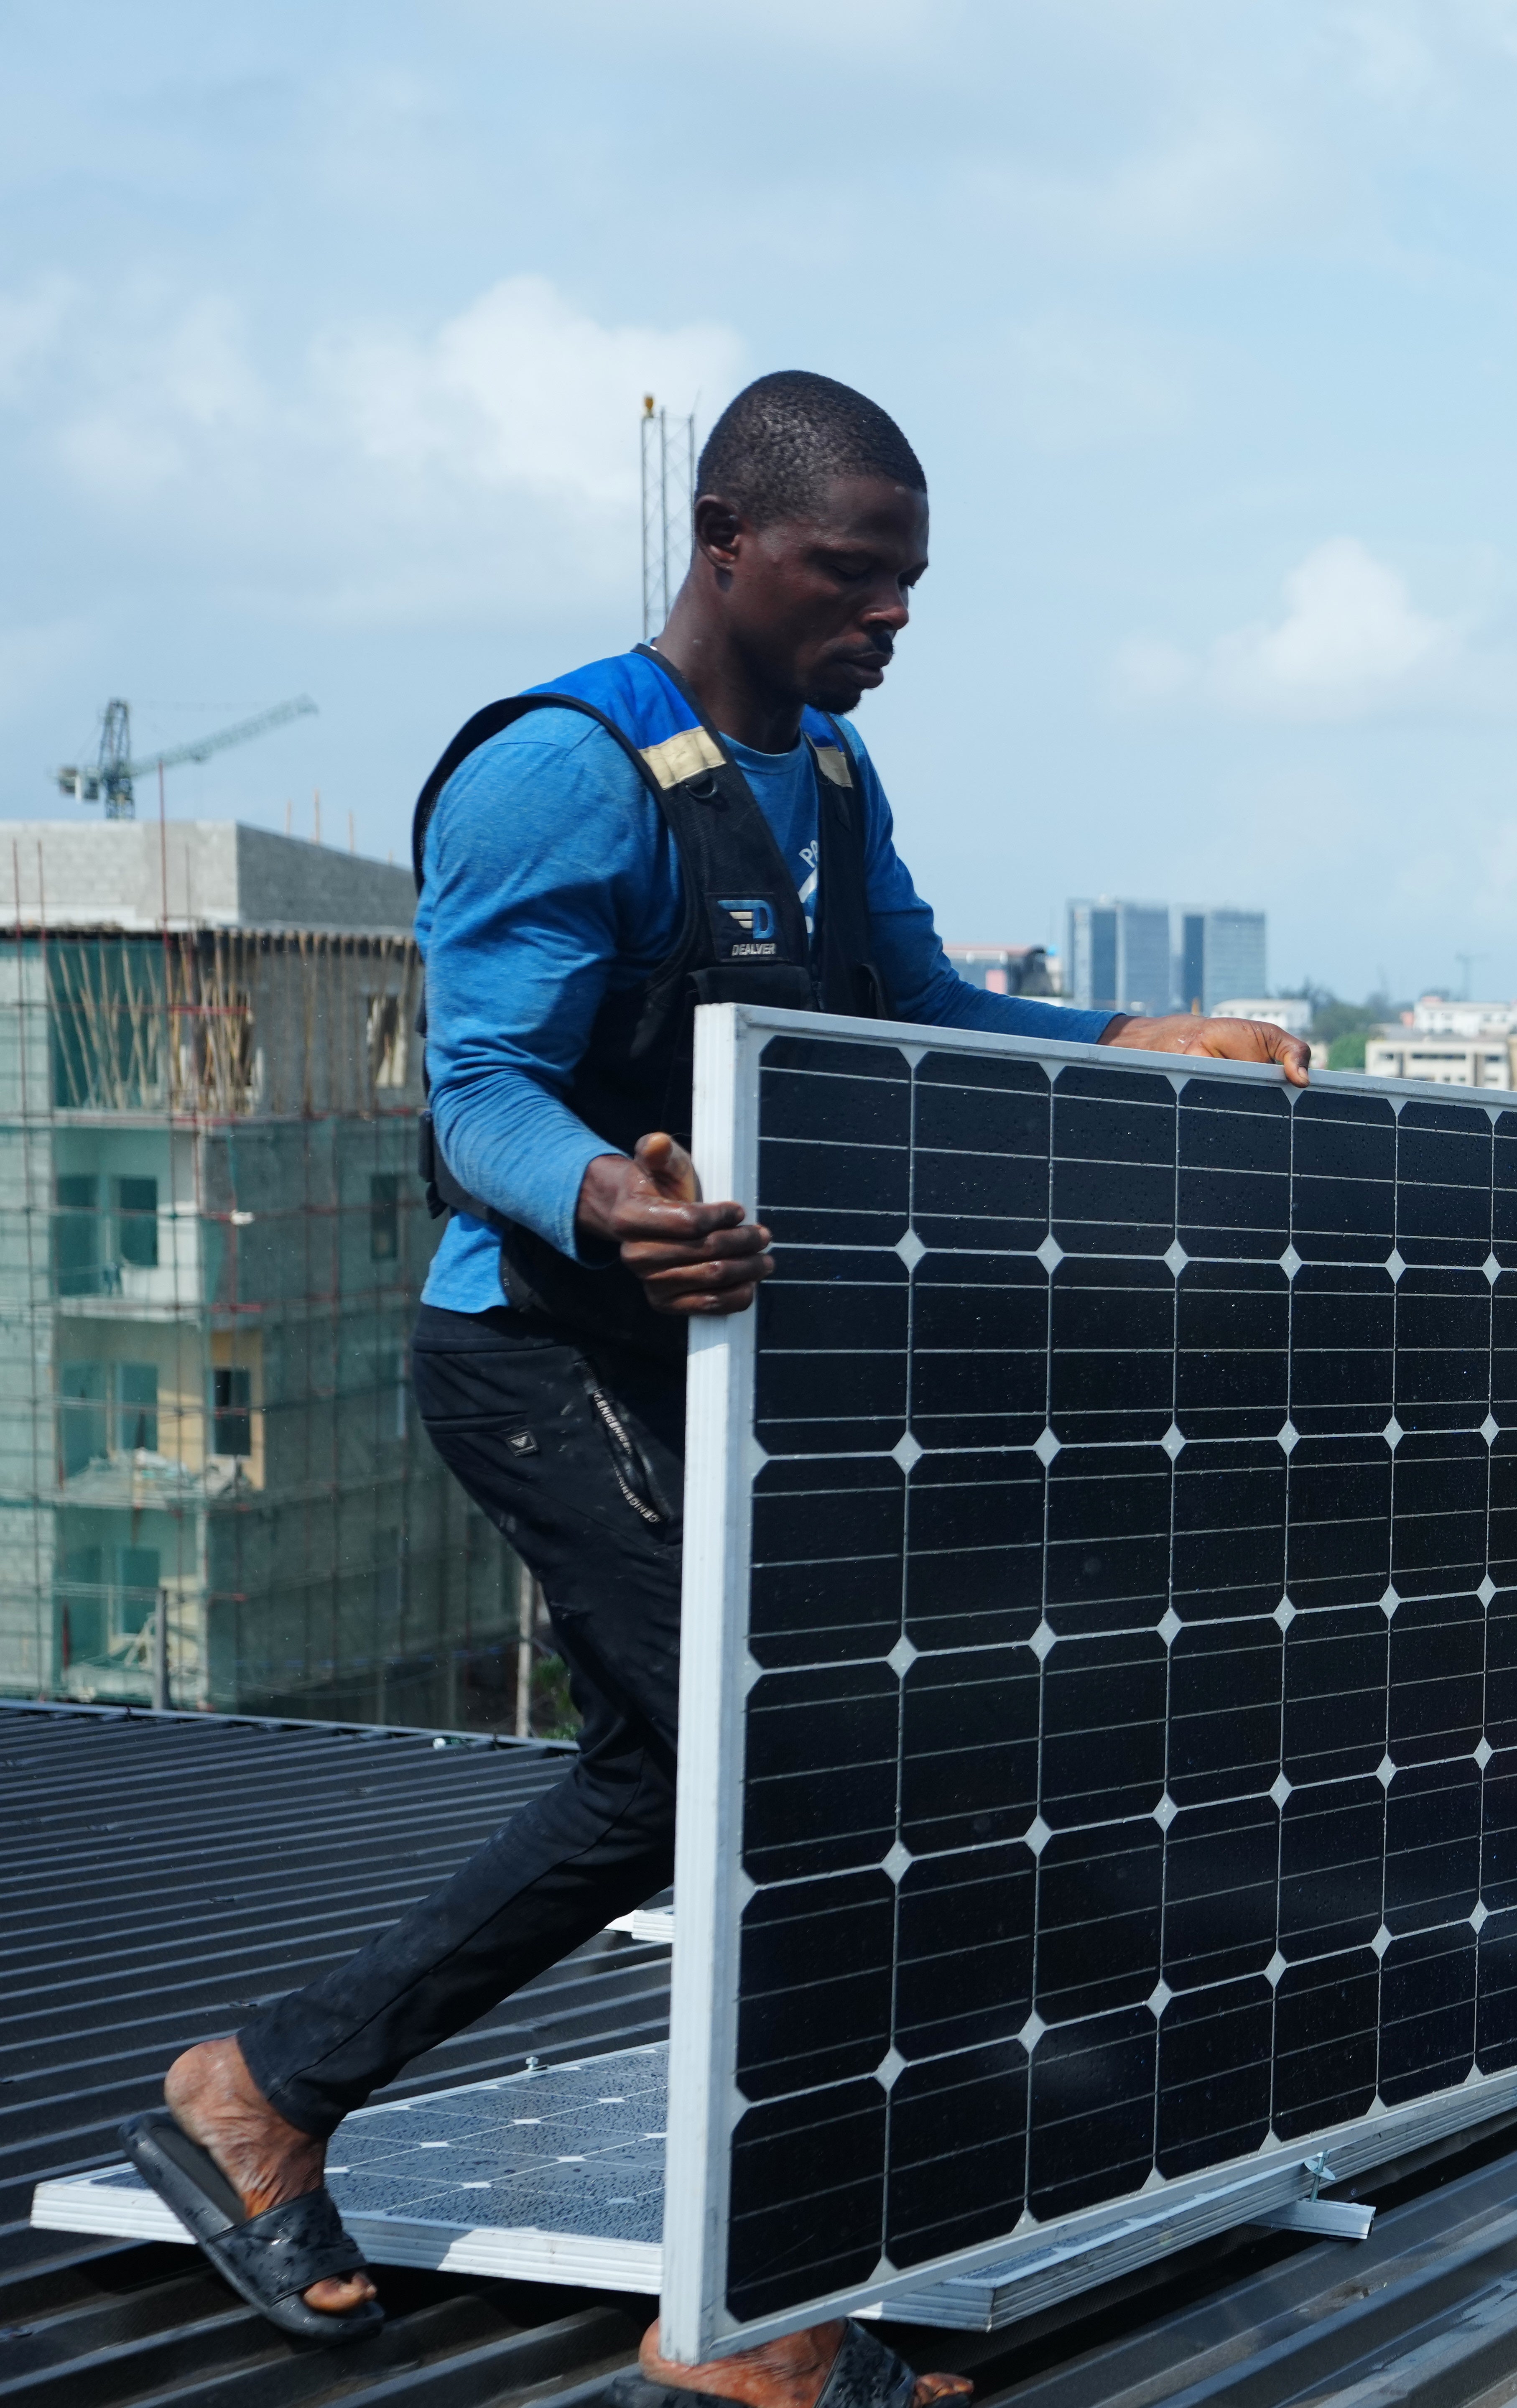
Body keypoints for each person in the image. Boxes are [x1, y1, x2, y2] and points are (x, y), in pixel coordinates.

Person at [118, 372, 1309, 2408]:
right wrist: (608, 1197)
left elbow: (918, 1007)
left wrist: (1135, 1038)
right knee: (788, 1776)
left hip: (719, 1367)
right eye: (857, 573)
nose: (892, 617)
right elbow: (476, 1084)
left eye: (913, 584)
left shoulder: (832, 778)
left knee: (672, 1781)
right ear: (729, 538)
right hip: (538, 1349)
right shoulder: (561, 773)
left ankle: (263, 2092)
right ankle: (739, 2319)